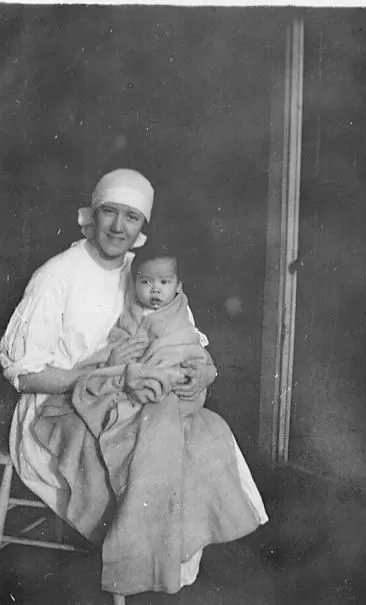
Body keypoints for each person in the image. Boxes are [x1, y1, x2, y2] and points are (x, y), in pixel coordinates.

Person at [0, 169, 268, 601]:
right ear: (92, 214)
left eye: (132, 217)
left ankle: (168, 567)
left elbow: (185, 337)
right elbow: (25, 373)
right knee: (137, 453)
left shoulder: (148, 272)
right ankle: (139, 564)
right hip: (61, 403)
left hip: (137, 398)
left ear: (143, 226)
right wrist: (99, 378)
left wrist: (202, 371)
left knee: (204, 436)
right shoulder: (57, 275)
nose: (119, 227)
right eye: (110, 212)